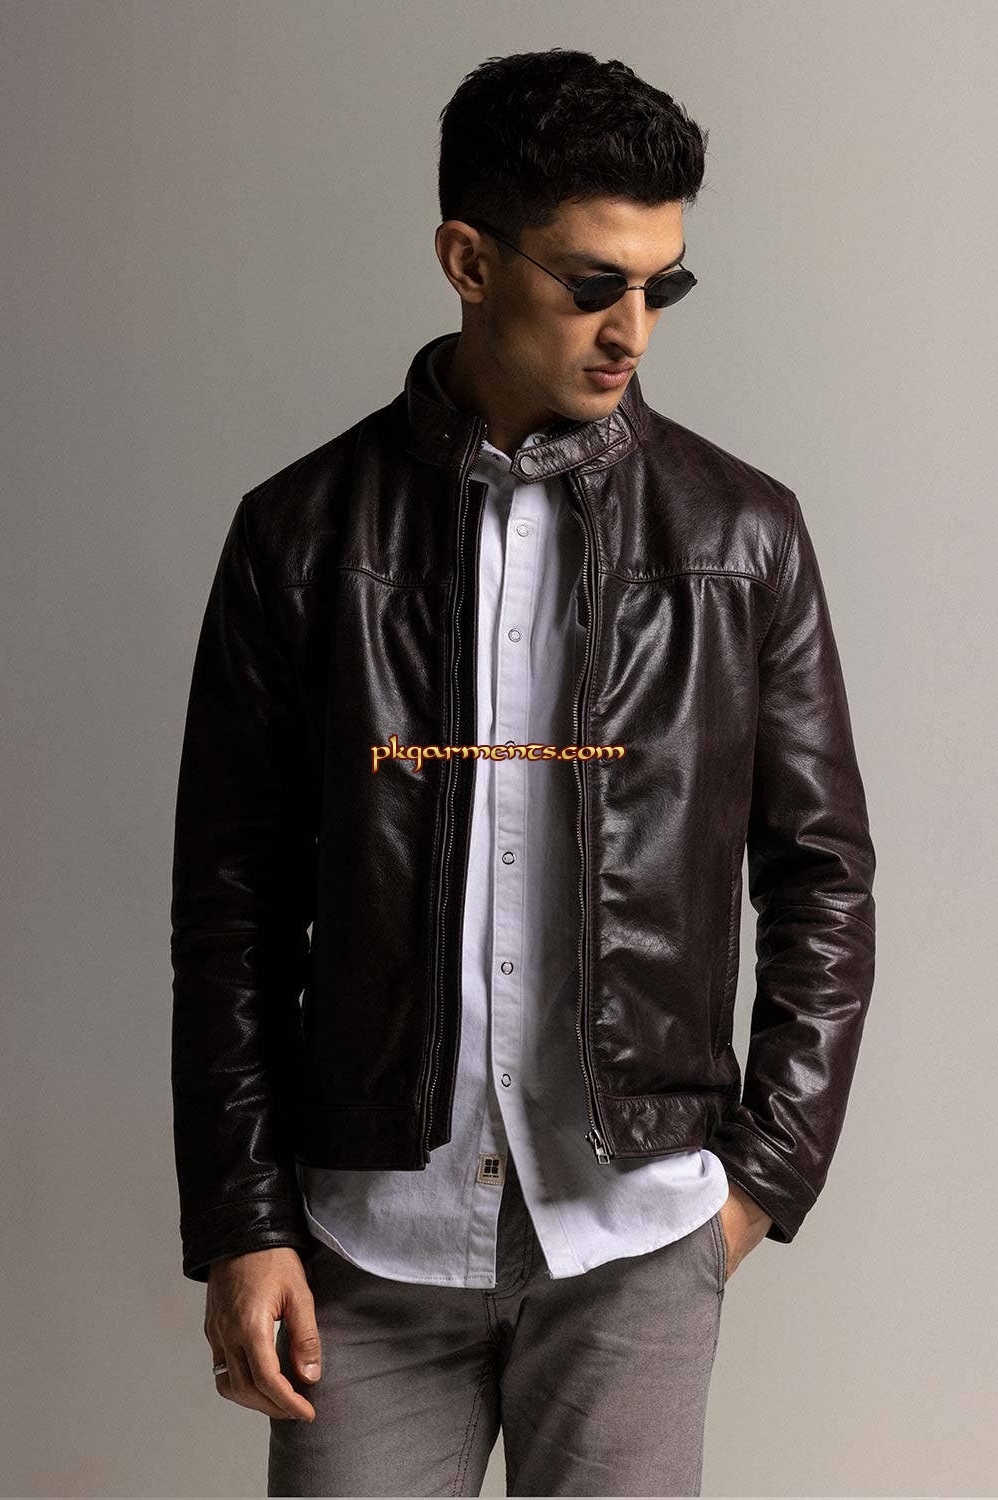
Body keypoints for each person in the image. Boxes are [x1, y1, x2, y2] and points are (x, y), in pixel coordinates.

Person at [170, 47, 876, 1498]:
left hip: (637, 1238)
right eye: (593, 283)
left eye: (663, 287)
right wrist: (241, 1218)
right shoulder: (300, 538)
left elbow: (823, 879)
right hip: (366, 1242)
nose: (633, 331)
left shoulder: (742, 537)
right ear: (468, 260)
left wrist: (761, 1184)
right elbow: (231, 908)